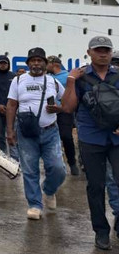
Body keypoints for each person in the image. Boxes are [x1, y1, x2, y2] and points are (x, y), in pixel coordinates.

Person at [61, 36, 119, 250]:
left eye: (106, 50)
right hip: (91, 138)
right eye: (98, 50)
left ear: (111, 53)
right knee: (96, 187)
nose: (103, 53)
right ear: (89, 52)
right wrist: (70, 81)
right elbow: (67, 108)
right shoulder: (81, 78)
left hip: (116, 137)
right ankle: (101, 232)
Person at [6, 47, 66, 220]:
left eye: (40, 60)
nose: (36, 63)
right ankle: (34, 205)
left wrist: (60, 108)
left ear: (46, 64)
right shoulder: (18, 81)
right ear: (28, 63)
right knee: (30, 170)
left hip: (50, 131)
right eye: (33, 60)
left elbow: (67, 100)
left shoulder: (53, 82)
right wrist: (10, 131)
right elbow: (11, 105)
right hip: (26, 132)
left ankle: (49, 190)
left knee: (58, 168)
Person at [47, 56, 79, 175]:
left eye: (47, 63)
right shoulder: (48, 77)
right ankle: (52, 165)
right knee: (50, 137)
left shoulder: (67, 76)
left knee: (66, 136)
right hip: (50, 111)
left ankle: (72, 162)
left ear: (54, 64)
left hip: (65, 111)